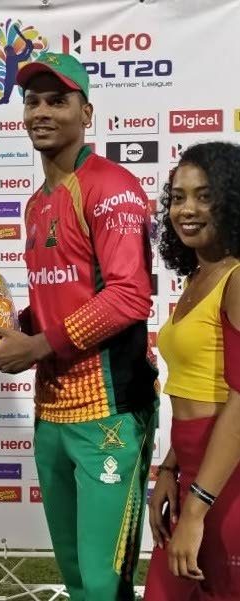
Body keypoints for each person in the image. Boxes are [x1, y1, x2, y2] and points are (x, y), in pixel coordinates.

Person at [0, 52, 158, 600]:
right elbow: (55, 302)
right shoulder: (36, 204)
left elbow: (129, 295)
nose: (42, 112)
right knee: (75, 576)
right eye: (33, 102)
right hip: (51, 411)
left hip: (110, 412)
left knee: (104, 583)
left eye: (58, 101)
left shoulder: (111, 186)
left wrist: (37, 344)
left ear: (87, 112)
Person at [144, 142, 240, 600]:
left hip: (227, 481)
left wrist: (198, 510)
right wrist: (169, 470)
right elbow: (194, 386)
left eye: (204, 196)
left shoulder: (238, 278)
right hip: (191, 472)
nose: (187, 209)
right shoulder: (197, 279)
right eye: (178, 197)